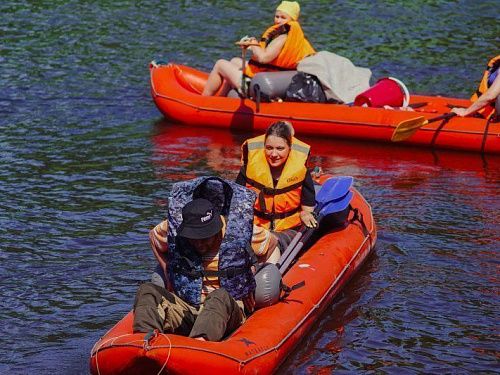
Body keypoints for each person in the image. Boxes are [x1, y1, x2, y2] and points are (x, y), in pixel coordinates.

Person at [133, 177, 262, 341]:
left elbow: (271, 246)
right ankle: (143, 343)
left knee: (219, 296)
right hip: (187, 305)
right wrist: (167, 269)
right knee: (147, 290)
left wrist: (249, 276)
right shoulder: (172, 228)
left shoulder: (241, 232)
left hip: (227, 308)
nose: (199, 243)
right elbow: (153, 237)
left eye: (204, 237)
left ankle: (199, 344)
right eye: (194, 237)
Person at [202, 1, 315, 97]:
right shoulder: (296, 39)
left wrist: (254, 45)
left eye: (283, 17)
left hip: (258, 83)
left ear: (292, 20)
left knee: (220, 64)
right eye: (277, 16)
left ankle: (204, 101)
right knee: (234, 61)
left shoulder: (282, 38)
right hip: (274, 77)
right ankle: (221, 99)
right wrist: (251, 46)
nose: (278, 21)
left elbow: (263, 58)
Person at [236, 121, 317, 252]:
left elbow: (308, 204)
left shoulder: (300, 170)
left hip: (288, 230)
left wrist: (306, 213)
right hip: (257, 227)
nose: (273, 154)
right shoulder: (249, 167)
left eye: (280, 149)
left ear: (289, 148)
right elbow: (236, 199)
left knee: (270, 243)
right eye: (269, 148)